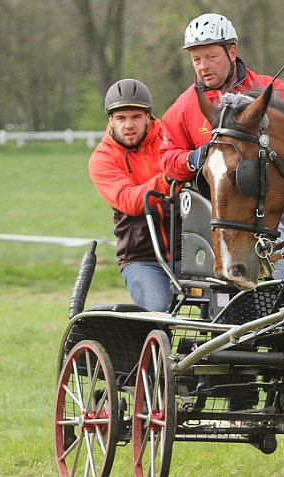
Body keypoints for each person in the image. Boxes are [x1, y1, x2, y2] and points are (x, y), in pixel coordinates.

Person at [159, 13, 284, 280]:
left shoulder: (272, 89)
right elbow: (167, 158)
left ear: (232, 51)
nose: (203, 66)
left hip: (276, 204)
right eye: (196, 59)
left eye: (211, 57)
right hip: (224, 209)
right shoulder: (184, 106)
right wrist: (194, 158)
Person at [88, 78, 181, 312]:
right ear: (111, 120)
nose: (129, 124)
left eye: (136, 117)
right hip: (141, 256)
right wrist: (168, 177)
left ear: (149, 117)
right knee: (156, 312)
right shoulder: (102, 159)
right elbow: (129, 200)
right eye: (121, 118)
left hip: (190, 250)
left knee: (223, 307)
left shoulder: (172, 138)